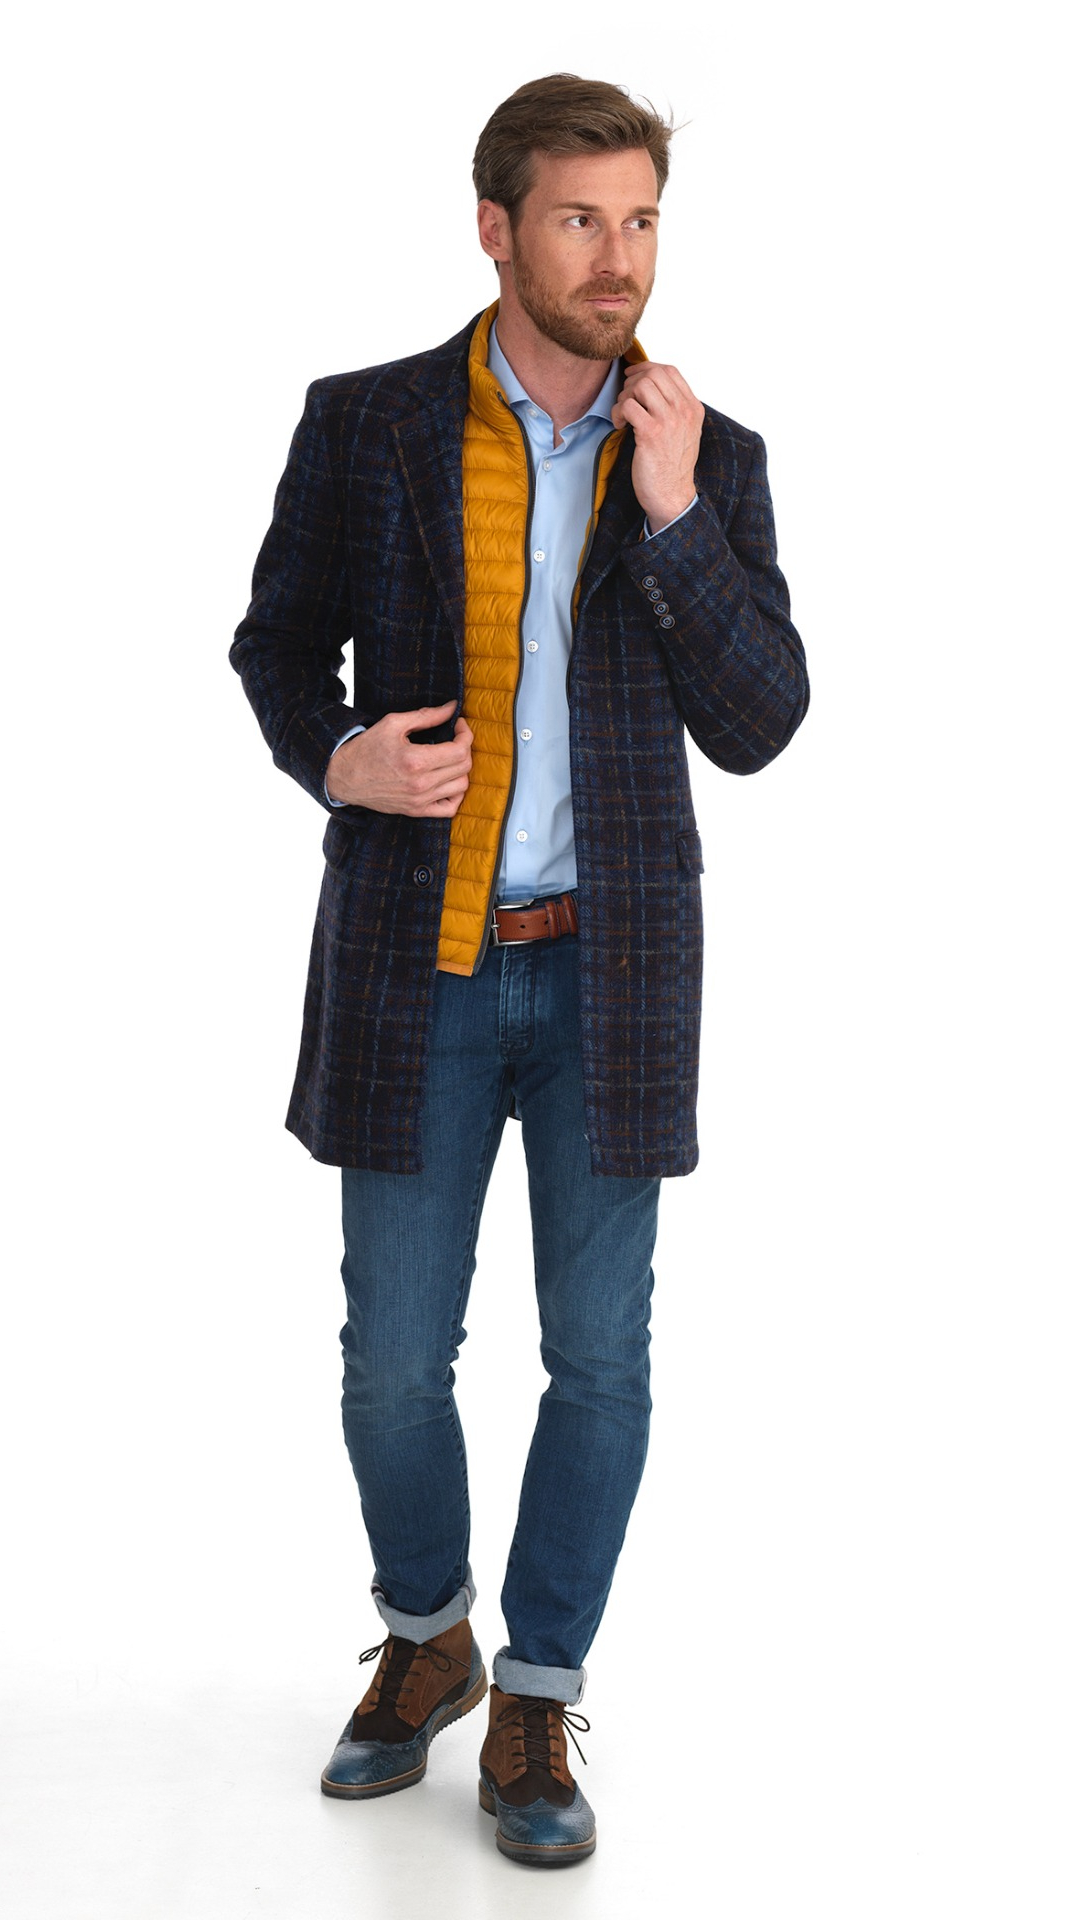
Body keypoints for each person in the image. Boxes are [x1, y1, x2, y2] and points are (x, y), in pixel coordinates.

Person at [231, 71, 808, 1867]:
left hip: (612, 980)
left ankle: (540, 1690)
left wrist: (676, 512)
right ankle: (429, 1640)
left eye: (641, 221)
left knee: (601, 1360)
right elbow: (273, 649)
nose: (618, 259)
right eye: (580, 220)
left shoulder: (708, 456)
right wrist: (340, 758)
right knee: (393, 1366)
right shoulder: (368, 423)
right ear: (496, 230)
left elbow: (762, 722)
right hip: (422, 965)